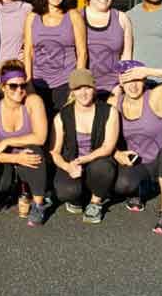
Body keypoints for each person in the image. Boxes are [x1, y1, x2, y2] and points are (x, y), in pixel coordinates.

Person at [111, 60, 162, 235]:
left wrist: (149, 70)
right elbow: (102, 136)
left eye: (137, 80)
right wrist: (117, 153)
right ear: (121, 82)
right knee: (122, 185)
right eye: (127, 81)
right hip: (138, 164)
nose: (133, 86)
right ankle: (139, 189)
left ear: (144, 80)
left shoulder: (156, 96)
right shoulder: (114, 103)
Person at [50, 69, 119, 224]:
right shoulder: (62, 115)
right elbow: (54, 152)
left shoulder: (109, 111)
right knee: (66, 192)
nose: (83, 93)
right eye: (78, 88)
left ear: (94, 88)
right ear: (72, 91)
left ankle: (96, 202)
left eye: (87, 87)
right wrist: (68, 167)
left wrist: (84, 159)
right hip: (72, 163)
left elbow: (108, 146)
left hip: (98, 160)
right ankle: (79, 196)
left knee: (102, 168)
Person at [0, 60, 49, 227]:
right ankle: (20, 190)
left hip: (28, 157)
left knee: (36, 151)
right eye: (13, 86)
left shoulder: (33, 101)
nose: (19, 90)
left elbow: (40, 137)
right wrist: (15, 158)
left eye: (23, 85)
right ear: (3, 87)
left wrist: (7, 141)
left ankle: (38, 205)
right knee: (3, 183)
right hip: (7, 160)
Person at [24, 0, 86, 115]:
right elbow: (28, 52)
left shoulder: (73, 16)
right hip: (38, 83)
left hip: (65, 83)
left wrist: (76, 85)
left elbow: (82, 53)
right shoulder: (32, 17)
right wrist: (28, 82)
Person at [82, 0, 132, 99]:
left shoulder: (122, 18)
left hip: (113, 88)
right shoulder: (77, 17)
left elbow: (126, 56)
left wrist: (121, 85)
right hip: (83, 88)